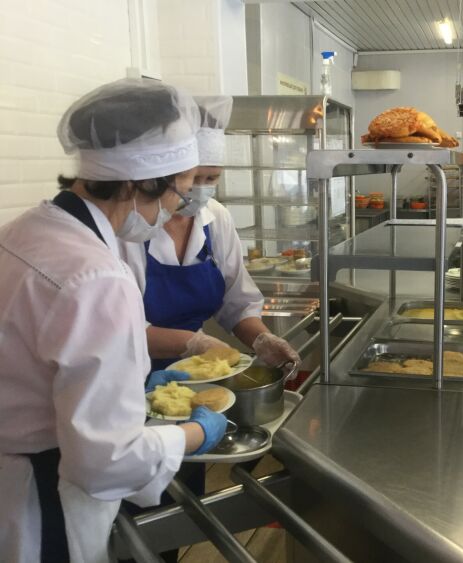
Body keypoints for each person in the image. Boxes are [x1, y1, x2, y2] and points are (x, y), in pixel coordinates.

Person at [0, 79, 227, 562]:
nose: (176, 208)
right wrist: (196, 432)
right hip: (39, 506)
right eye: (181, 190)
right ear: (143, 183)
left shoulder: (21, 233)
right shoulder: (99, 276)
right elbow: (108, 462)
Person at [121, 95, 300, 373]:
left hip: (196, 372)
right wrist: (194, 343)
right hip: (132, 372)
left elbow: (236, 301)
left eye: (211, 178)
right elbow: (120, 329)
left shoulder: (216, 218)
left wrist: (261, 339)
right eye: (193, 178)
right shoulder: (130, 228)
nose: (200, 189)